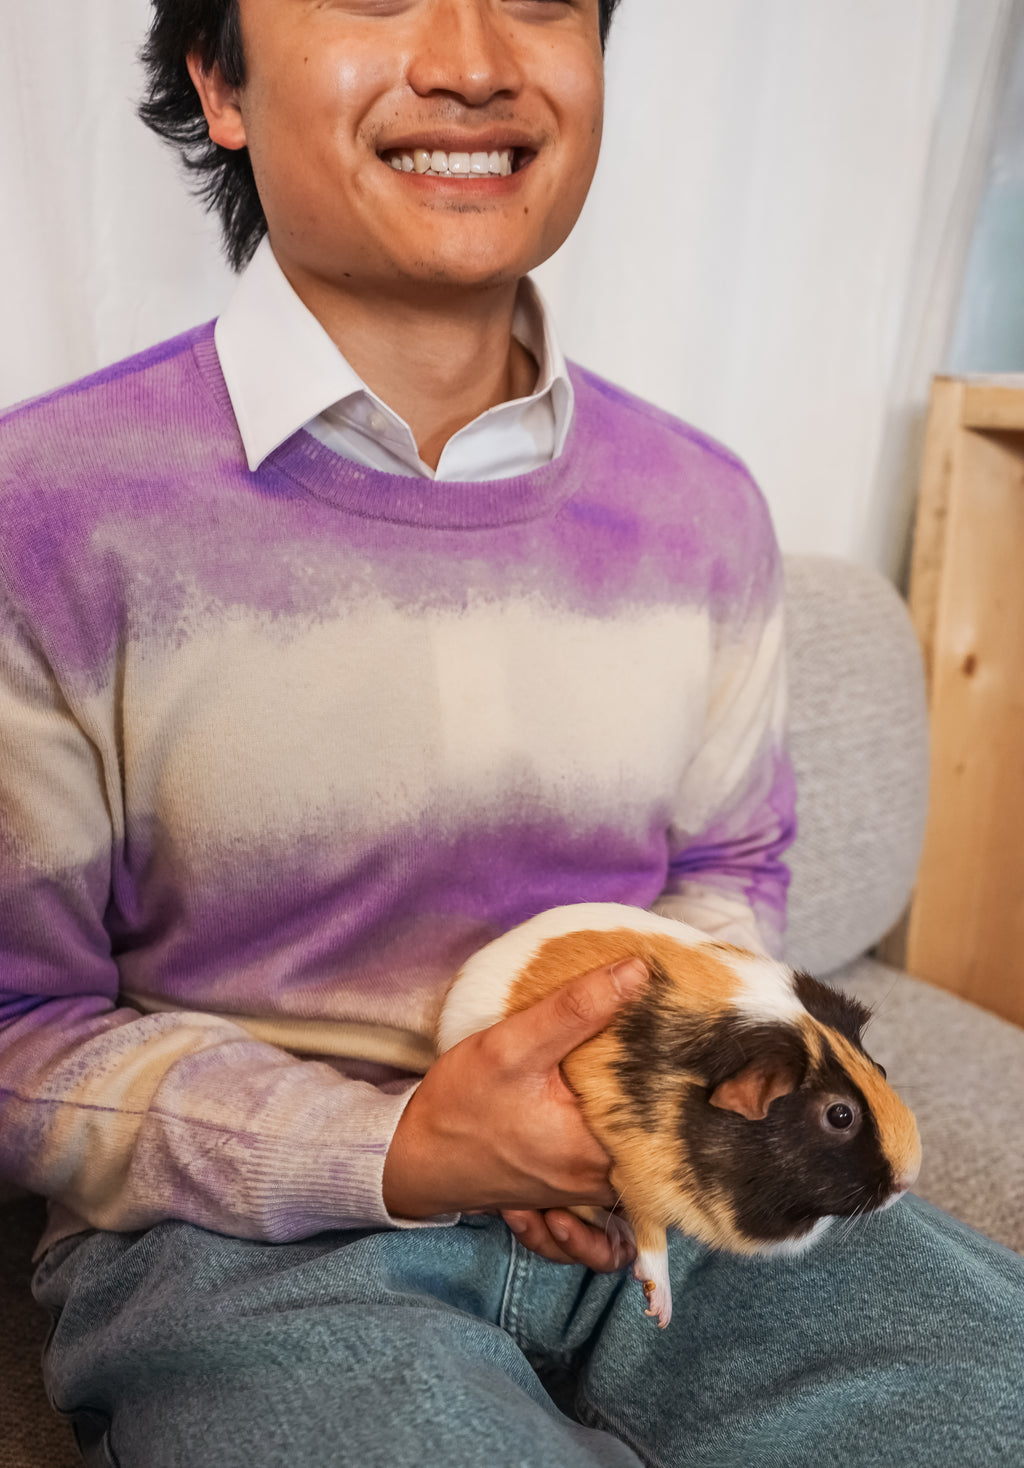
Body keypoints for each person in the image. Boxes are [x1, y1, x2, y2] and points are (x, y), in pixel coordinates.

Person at [0, 2, 1021, 1464]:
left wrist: (641, 1107)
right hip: (246, 1248)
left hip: (683, 1189)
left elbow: (729, 873)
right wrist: (403, 1146)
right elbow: (18, 1029)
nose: (474, 63)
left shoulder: (703, 509)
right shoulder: (43, 512)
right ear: (219, 78)